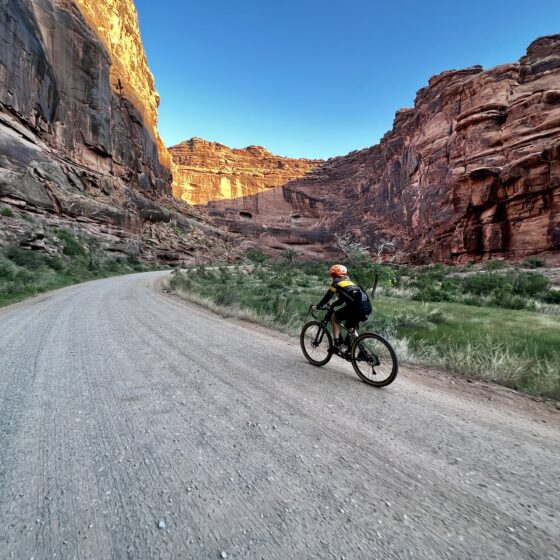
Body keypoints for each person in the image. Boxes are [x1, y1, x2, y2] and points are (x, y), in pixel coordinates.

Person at [311, 264, 372, 350]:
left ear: (335, 275)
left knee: (334, 318)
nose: (332, 277)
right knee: (350, 327)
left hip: (356, 308)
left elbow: (327, 296)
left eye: (332, 275)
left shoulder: (337, 282)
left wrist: (318, 306)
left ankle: (337, 344)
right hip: (367, 308)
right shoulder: (351, 283)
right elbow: (342, 300)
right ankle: (361, 349)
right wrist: (333, 305)